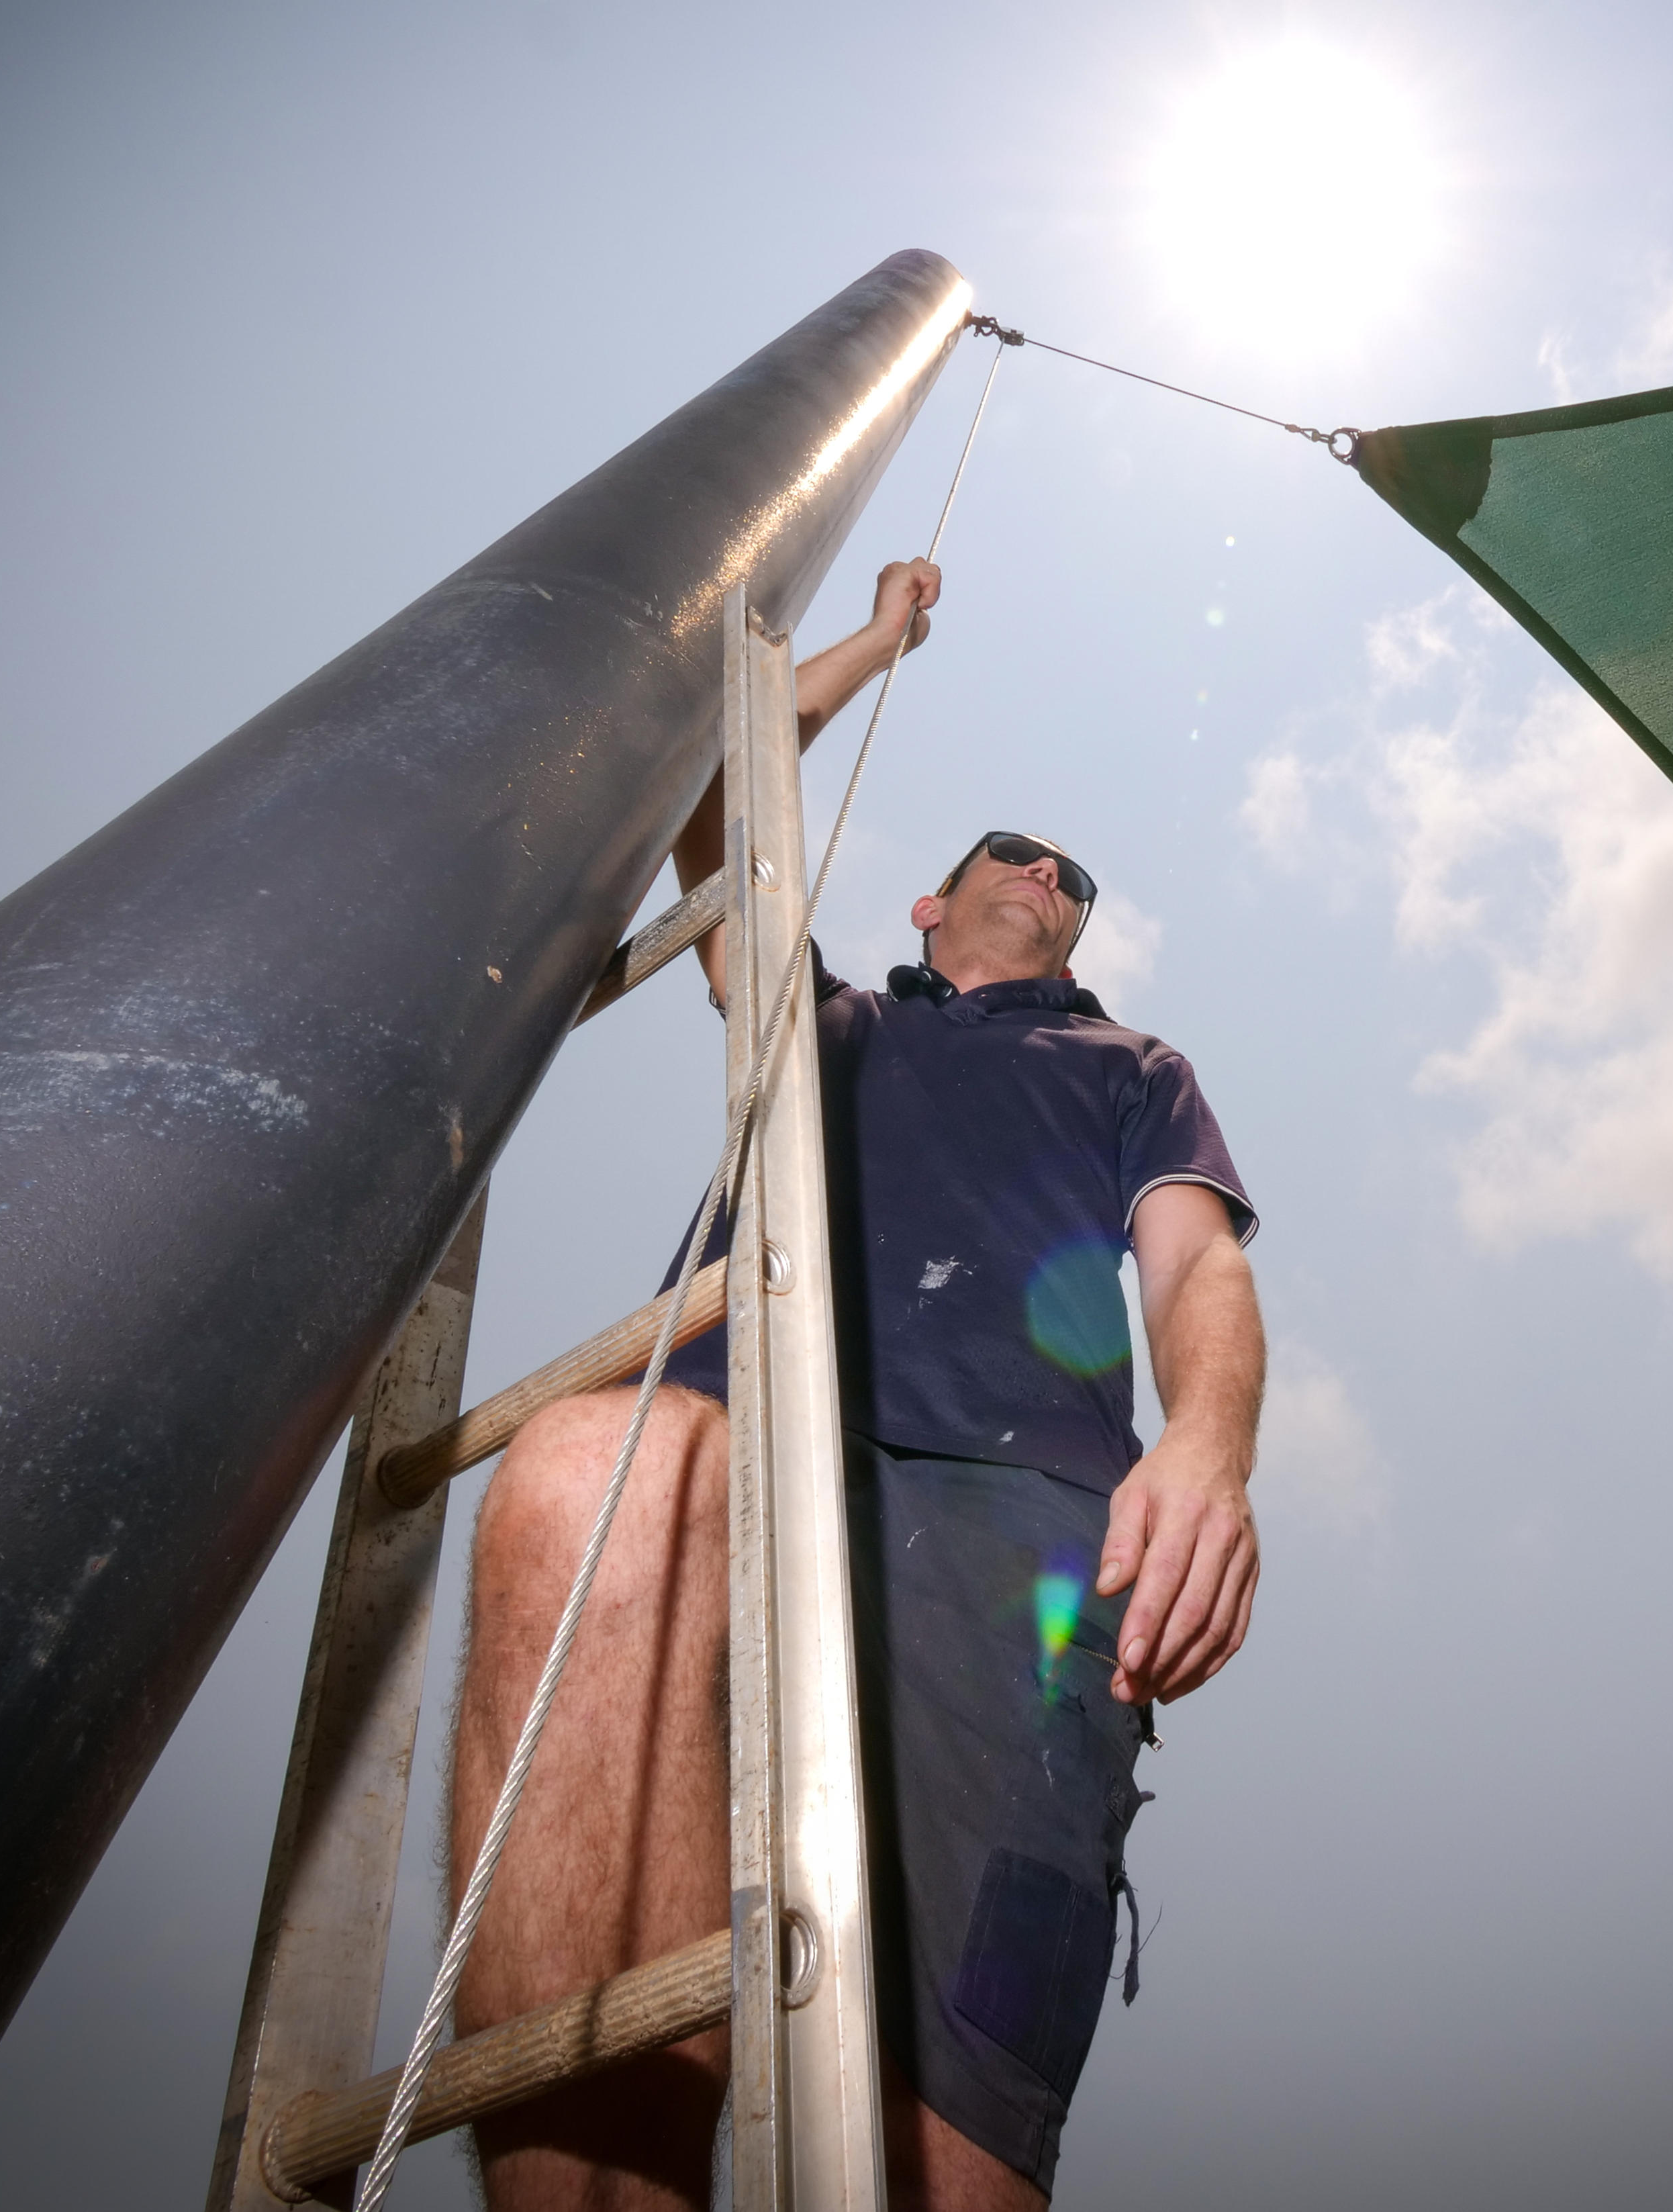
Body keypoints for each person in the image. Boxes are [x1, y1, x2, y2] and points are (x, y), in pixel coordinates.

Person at [449, 560, 1267, 2212]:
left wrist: (1210, 1448)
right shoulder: (820, 1020)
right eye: (1013, 853)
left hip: (1026, 1524)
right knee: (568, 1480)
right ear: (929, 902)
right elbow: (711, 777)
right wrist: (884, 641)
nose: (1048, 873)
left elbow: (1195, 1265)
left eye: (1071, 877)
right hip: (747, 1420)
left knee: (944, 2145)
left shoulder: (1131, 1066)